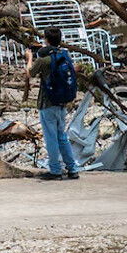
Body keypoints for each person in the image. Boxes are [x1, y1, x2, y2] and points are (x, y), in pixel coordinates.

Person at [26, 27, 80, 181]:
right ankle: (72, 169)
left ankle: (55, 171)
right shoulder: (64, 54)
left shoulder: (44, 59)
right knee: (61, 136)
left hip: (47, 103)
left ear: (46, 39)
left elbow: (30, 73)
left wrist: (30, 57)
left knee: (51, 138)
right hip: (62, 102)